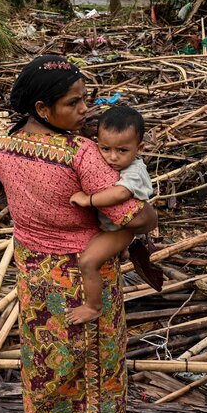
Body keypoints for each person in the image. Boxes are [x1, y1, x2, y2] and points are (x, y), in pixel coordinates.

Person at [0, 55, 158, 413]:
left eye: (86, 99)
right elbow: (133, 217)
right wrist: (151, 214)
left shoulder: (4, 147)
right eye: (74, 103)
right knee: (94, 362)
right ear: (43, 110)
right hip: (83, 272)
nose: (86, 110)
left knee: (45, 359)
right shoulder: (81, 153)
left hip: (32, 271)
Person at [67, 106, 155, 324]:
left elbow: (120, 193)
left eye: (122, 151)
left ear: (139, 148)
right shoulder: (110, 160)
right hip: (112, 226)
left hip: (122, 229)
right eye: (105, 149)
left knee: (88, 262)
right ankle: (122, 252)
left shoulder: (134, 172)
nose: (112, 157)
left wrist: (88, 200)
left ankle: (93, 307)